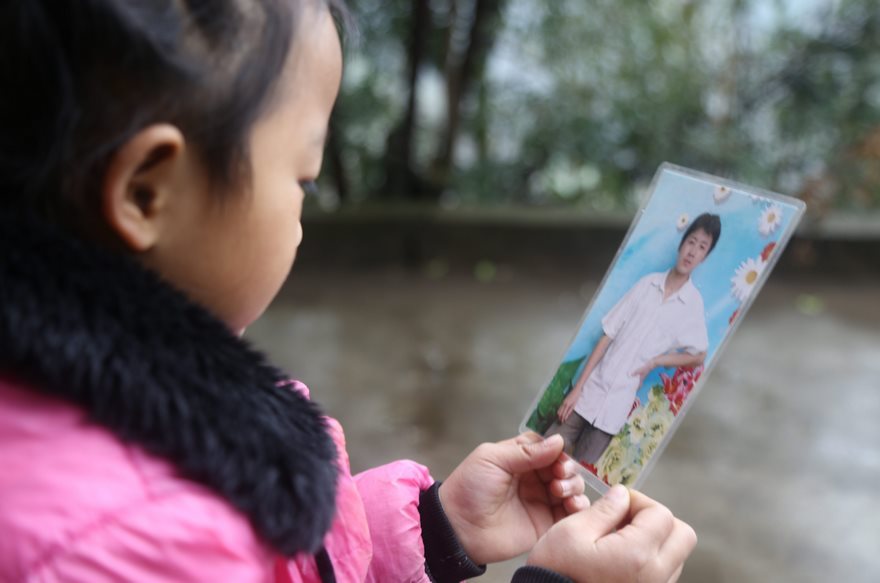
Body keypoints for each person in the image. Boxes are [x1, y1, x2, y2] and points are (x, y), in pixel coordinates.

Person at [0, 1, 696, 581]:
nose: (303, 214)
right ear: (149, 190)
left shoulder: (126, 405)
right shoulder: (130, 541)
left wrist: (433, 531)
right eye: (302, 178)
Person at [549, 213, 721, 465]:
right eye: (691, 242)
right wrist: (577, 389)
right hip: (589, 394)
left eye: (702, 247)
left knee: (575, 476)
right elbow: (608, 335)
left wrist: (657, 361)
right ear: (681, 243)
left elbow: (699, 356)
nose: (693, 251)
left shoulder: (692, 305)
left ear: (706, 256)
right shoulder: (646, 284)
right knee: (545, 451)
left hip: (615, 411)